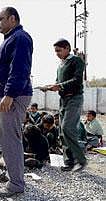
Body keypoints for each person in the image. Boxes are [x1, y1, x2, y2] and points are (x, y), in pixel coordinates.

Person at [0, 7, 33, 198]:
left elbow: (20, 68)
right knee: (7, 139)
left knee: (10, 140)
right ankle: (12, 175)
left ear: (12, 19)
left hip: (14, 96)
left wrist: (9, 94)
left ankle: (15, 184)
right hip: (8, 95)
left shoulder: (20, 37)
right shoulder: (11, 38)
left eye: (1, 19)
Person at [41, 39, 87, 172]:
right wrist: (50, 87)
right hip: (63, 100)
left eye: (59, 50)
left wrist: (60, 86)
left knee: (68, 128)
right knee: (62, 131)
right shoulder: (61, 65)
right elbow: (58, 81)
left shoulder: (76, 61)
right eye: (55, 51)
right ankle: (69, 162)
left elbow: (77, 80)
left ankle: (81, 160)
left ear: (67, 48)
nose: (57, 54)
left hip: (74, 98)